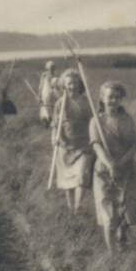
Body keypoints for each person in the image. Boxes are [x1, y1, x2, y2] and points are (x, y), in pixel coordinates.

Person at [89, 81, 136, 254]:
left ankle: (122, 234)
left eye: (117, 97)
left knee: (129, 213)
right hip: (104, 173)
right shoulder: (96, 121)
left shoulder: (127, 119)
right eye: (110, 97)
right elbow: (96, 146)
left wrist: (121, 162)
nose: (113, 101)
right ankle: (112, 254)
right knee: (109, 216)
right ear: (102, 98)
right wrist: (110, 164)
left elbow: (134, 145)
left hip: (127, 170)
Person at [51, 69, 94, 213]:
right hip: (65, 145)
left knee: (81, 176)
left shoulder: (86, 102)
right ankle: (70, 209)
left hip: (84, 146)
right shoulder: (60, 103)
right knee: (67, 180)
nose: (72, 86)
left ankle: (78, 208)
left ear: (80, 84)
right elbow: (55, 125)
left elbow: (93, 122)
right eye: (69, 83)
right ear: (64, 84)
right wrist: (55, 139)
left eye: (75, 83)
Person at [38, 61, 59, 128]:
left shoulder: (56, 75)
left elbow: (57, 85)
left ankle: (53, 121)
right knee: (45, 107)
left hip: (53, 94)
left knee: (53, 107)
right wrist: (39, 95)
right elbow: (41, 86)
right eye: (50, 68)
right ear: (46, 68)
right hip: (45, 93)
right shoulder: (44, 75)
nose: (51, 69)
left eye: (53, 67)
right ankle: (46, 121)